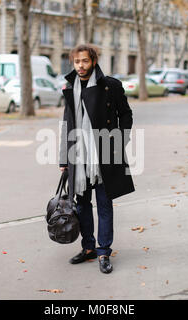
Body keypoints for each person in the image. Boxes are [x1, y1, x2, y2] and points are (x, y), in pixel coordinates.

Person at [59, 44, 135, 274]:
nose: (80, 66)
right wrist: (64, 159)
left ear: (93, 61)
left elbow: (126, 114)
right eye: (76, 62)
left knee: (104, 204)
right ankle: (88, 247)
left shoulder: (110, 85)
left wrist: (119, 142)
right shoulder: (71, 87)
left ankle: (104, 251)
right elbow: (67, 124)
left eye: (84, 61)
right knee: (81, 206)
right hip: (78, 155)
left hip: (104, 154)